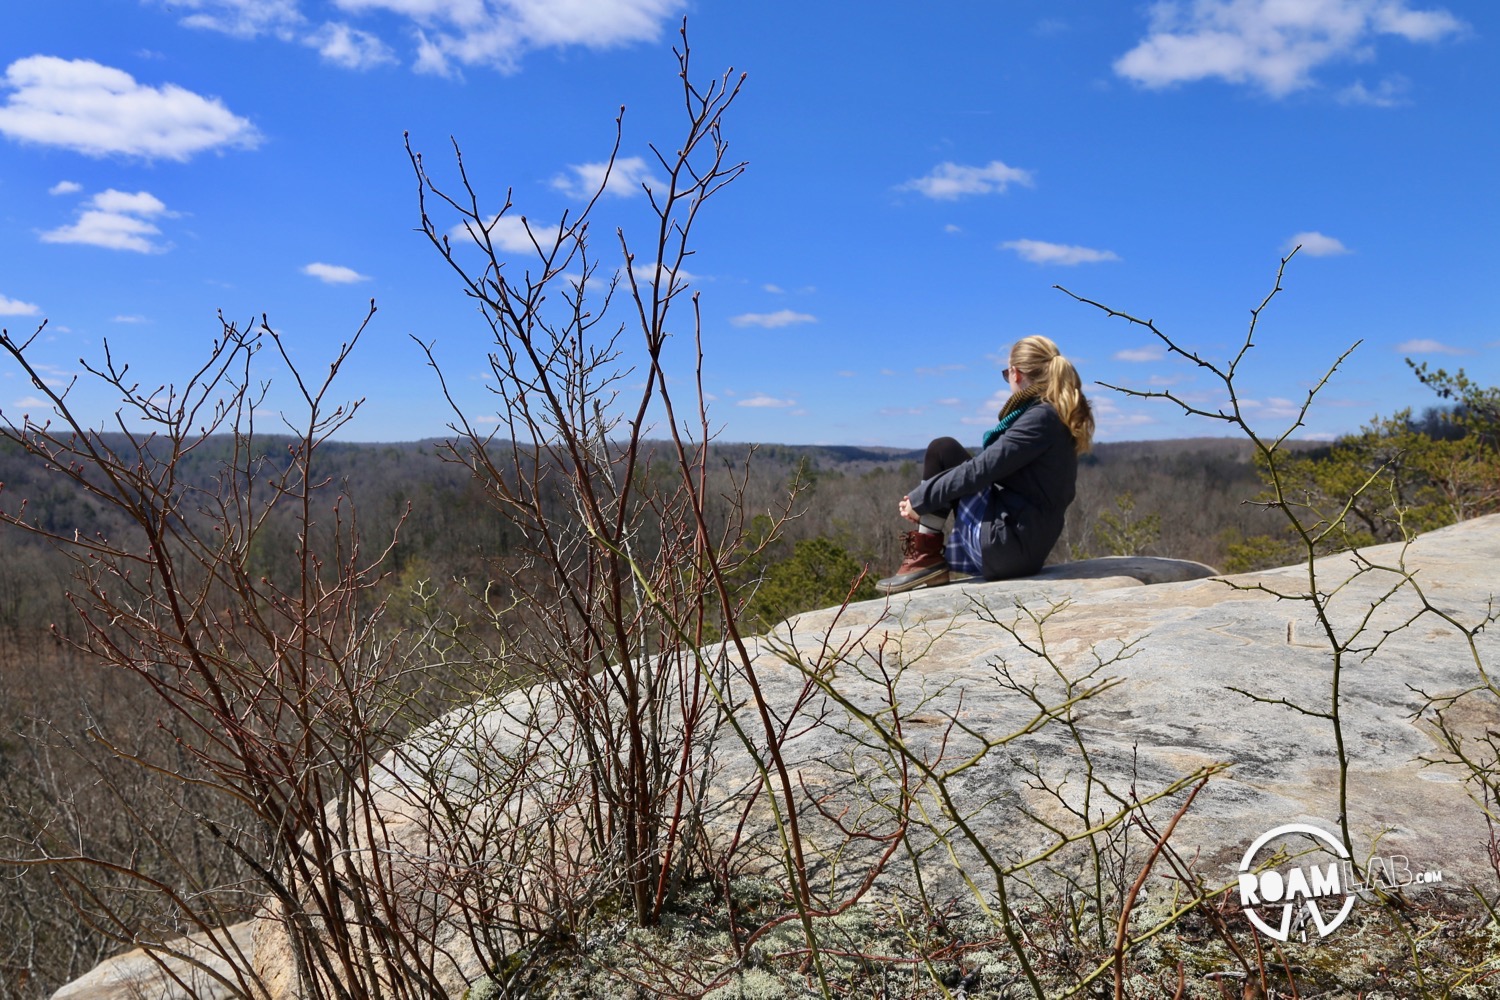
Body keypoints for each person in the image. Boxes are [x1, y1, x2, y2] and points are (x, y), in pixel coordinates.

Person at [876, 335, 1094, 594]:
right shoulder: (1054, 414)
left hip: (1006, 547)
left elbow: (982, 470)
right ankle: (927, 560)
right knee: (949, 454)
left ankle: (925, 558)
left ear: (1015, 373)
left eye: (1006, 374)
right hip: (1022, 548)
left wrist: (922, 498)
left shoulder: (1041, 418)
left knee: (942, 449)